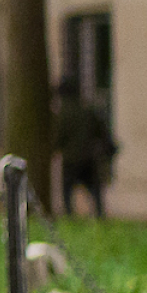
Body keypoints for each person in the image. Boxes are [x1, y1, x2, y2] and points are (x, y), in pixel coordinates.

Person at [52, 79, 114, 219]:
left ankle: (69, 216)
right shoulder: (88, 111)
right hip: (88, 158)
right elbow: (102, 132)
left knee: (67, 192)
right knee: (94, 192)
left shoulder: (63, 114)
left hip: (70, 159)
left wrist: (54, 149)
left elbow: (58, 137)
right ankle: (99, 216)